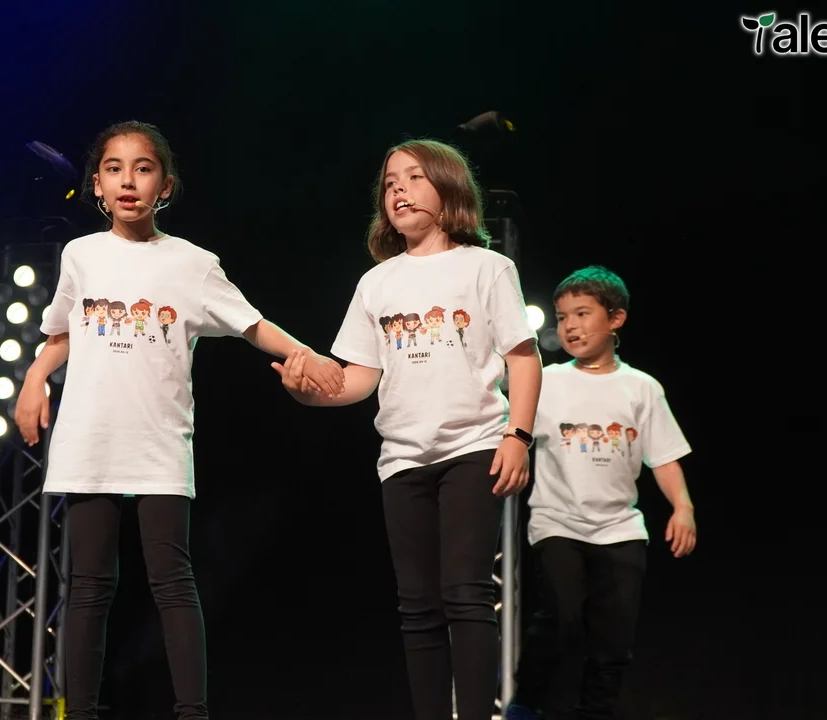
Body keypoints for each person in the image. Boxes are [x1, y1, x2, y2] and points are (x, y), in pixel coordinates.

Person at [12, 120, 345, 720]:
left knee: (171, 580)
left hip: (159, 438)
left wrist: (307, 354)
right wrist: (34, 379)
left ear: (165, 185)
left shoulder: (193, 264)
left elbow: (252, 324)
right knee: (89, 585)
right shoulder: (80, 255)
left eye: (143, 169)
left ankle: (192, 712)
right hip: (90, 435)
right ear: (97, 184)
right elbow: (62, 332)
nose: (128, 181)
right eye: (114, 169)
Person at [272, 138, 542, 720]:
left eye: (414, 177)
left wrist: (517, 436)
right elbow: (358, 378)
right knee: (417, 607)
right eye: (390, 182)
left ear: (448, 188)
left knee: (466, 594)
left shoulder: (487, 268)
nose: (399, 189)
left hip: (474, 446)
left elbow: (524, 358)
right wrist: (304, 391)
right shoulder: (377, 283)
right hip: (401, 459)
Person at [505, 266, 697, 720]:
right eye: (562, 317)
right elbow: (508, 425)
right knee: (561, 617)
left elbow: (663, 456)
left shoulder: (641, 388)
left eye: (582, 314)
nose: (570, 326)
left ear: (616, 318)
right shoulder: (547, 380)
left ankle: (594, 712)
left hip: (620, 529)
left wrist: (683, 507)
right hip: (558, 522)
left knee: (614, 638)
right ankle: (525, 704)